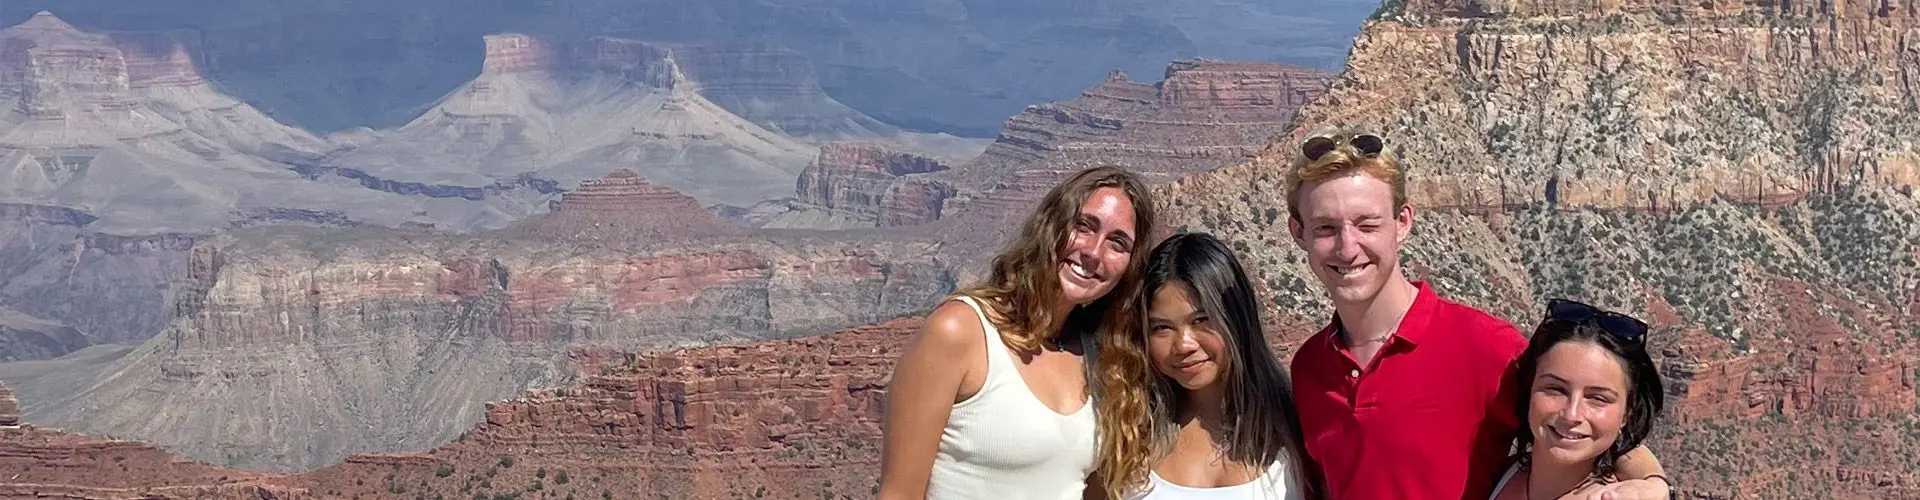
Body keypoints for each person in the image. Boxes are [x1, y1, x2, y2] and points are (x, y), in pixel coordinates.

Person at [1280, 125, 1671, 500]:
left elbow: (1578, 417)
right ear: (1299, 234)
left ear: (1402, 223)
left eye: (1367, 225)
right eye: (1326, 229)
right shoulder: (1310, 367)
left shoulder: (1485, 347)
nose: (1347, 248)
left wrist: (1652, 483)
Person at [877, 166, 1160, 500]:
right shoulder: (961, 332)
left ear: (1129, 266)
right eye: (1084, 226)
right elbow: (898, 494)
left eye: (1118, 243)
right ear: (1052, 224)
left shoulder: (1103, 360)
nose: (1094, 252)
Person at [1091, 232, 1326, 500]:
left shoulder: (1299, 429)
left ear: (1236, 319)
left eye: (1201, 320)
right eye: (1161, 327)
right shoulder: (1128, 431)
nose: (1184, 344)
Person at [1488, 299, 1668, 500]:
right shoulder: (1505, 473)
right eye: (1555, 389)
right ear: (1530, 388)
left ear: (1627, 413)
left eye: (1597, 398)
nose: (1571, 414)